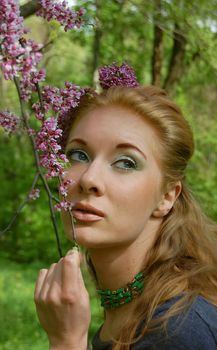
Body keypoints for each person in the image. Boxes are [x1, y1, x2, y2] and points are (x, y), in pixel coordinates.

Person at [34, 64, 217, 350]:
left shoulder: (178, 331)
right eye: (78, 155)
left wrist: (66, 341)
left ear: (167, 196)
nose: (90, 179)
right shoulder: (136, 313)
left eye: (125, 163)